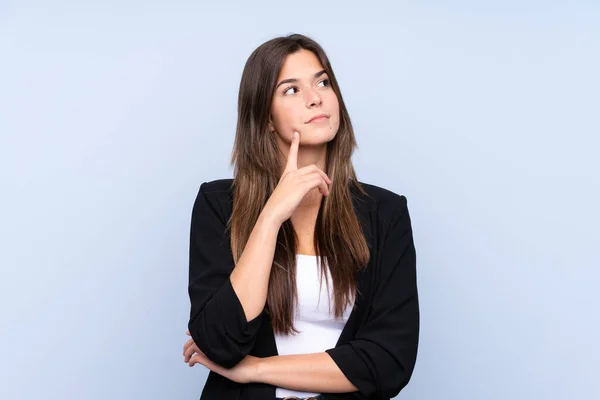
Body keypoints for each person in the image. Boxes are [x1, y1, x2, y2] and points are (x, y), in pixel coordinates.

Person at [182, 33, 419, 400]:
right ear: (266, 119)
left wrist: (255, 370)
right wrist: (271, 215)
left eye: (323, 82)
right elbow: (219, 342)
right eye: (291, 90)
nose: (315, 97)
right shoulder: (218, 204)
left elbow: (389, 361)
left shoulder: (385, 214)